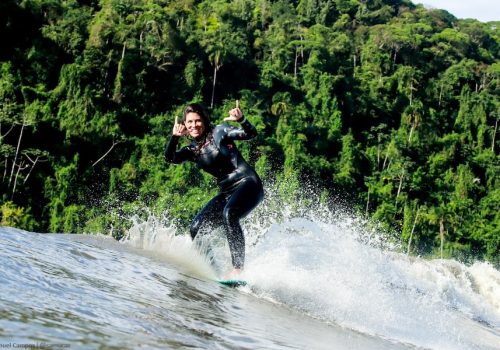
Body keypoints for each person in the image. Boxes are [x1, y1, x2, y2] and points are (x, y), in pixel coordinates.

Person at [165, 101, 264, 278]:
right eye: (189, 122)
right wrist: (174, 137)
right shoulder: (191, 150)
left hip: (248, 183)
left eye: (197, 121)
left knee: (229, 213)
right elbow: (170, 158)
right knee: (196, 228)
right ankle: (213, 269)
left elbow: (250, 133)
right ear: (185, 126)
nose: (194, 125)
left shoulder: (219, 132)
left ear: (204, 120)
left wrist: (242, 119)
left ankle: (238, 269)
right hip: (227, 192)